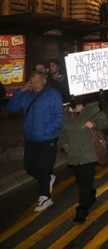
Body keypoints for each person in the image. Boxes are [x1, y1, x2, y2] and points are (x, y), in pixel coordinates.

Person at [8, 70, 63, 212]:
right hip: (30, 138)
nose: (35, 86)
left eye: (37, 82)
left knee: (43, 167)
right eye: (32, 83)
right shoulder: (26, 95)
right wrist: (21, 91)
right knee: (29, 167)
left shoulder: (53, 94)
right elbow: (12, 108)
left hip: (47, 138)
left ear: (44, 81)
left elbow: (59, 115)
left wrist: (49, 130)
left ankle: (45, 197)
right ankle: (47, 178)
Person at [59, 94, 108, 223]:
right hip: (73, 154)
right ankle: (91, 194)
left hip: (88, 154)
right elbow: (61, 131)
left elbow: (105, 123)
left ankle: (81, 211)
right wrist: (64, 144)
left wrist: (93, 124)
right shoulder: (65, 113)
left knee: (84, 184)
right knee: (81, 182)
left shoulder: (92, 110)